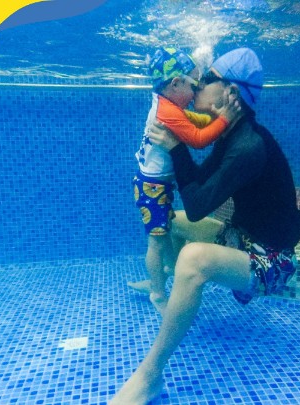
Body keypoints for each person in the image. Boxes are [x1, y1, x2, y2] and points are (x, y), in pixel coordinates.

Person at [111, 48, 300, 404]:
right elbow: (198, 187)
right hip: (240, 239)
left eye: (207, 80)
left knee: (194, 259)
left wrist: (175, 148)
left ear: (231, 92)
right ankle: (169, 285)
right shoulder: (231, 135)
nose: (197, 85)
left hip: (273, 262)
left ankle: (150, 376)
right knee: (170, 222)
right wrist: (177, 148)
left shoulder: (248, 146)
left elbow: (199, 205)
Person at [131, 47, 241, 313]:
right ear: (175, 83)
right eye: (193, 85)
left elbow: (191, 121)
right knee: (156, 241)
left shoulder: (166, 104)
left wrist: (213, 118)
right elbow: (198, 140)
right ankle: (157, 293)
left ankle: (160, 276)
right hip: (152, 187)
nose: (196, 91)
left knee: (165, 232)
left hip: (154, 185)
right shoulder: (168, 112)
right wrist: (225, 120)